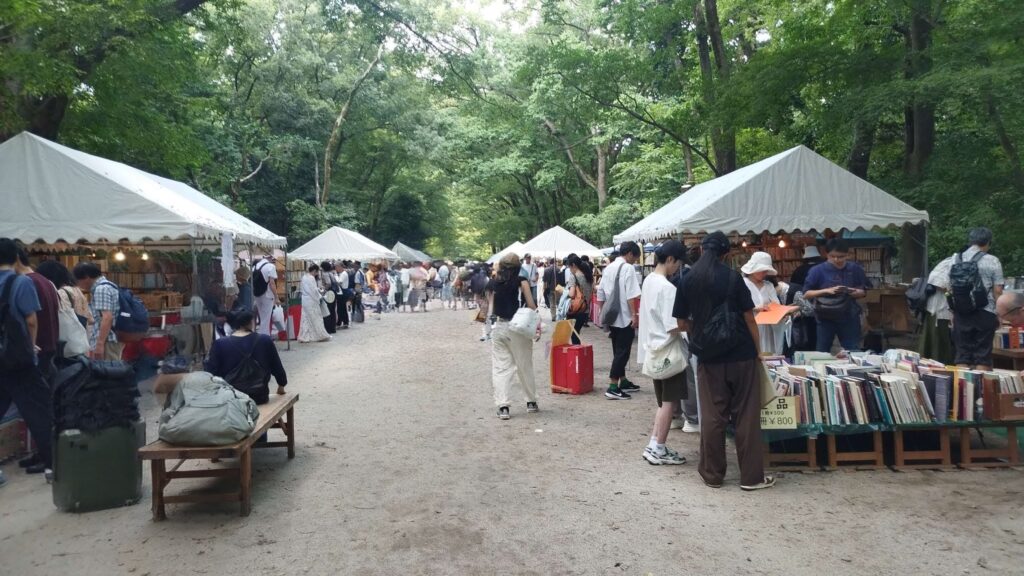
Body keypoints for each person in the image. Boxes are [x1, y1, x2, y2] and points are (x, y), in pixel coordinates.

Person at [673, 231, 774, 491]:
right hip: (741, 353)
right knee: (746, 415)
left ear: (701, 250)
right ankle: (752, 477)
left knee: (713, 416)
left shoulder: (687, 279)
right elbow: (750, 318)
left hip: (708, 356)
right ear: (726, 253)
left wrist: (703, 332)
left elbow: (682, 323)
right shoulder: (733, 277)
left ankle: (712, 474)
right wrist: (758, 350)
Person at [0, 238, 52, 476]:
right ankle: (52, 461)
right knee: (38, 410)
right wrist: (31, 348)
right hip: (18, 360)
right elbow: (31, 320)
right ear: (16, 257)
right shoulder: (21, 283)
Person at [637, 240, 688, 465]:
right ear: (670, 260)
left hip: (654, 349)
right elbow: (673, 324)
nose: (678, 268)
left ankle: (654, 444)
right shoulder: (667, 288)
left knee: (663, 402)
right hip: (669, 351)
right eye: (678, 263)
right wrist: (691, 324)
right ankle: (658, 447)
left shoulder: (649, 281)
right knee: (670, 403)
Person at [944, 227, 1004, 370]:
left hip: (961, 311)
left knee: (962, 354)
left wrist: (952, 312)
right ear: (988, 242)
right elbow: (997, 290)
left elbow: (948, 288)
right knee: (982, 355)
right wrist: (1000, 314)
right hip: (985, 311)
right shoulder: (992, 260)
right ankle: (980, 391)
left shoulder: (954, 259)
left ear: (971, 241)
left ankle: (962, 390)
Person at [488, 253, 539, 420]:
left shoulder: (494, 282)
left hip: (500, 327)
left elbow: (490, 307)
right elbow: (531, 306)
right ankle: (531, 402)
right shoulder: (521, 282)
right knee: (524, 365)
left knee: (501, 368)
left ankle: (503, 406)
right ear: (518, 266)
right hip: (518, 328)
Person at [802, 239, 870, 353]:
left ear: (847, 255)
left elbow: (864, 291)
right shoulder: (817, 271)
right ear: (826, 254)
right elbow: (806, 294)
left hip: (849, 315)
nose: (836, 260)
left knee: (853, 350)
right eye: (832, 256)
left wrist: (856, 293)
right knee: (822, 352)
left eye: (841, 257)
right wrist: (827, 291)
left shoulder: (855, 269)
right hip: (824, 316)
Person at [205, 309, 287, 404]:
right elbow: (276, 366)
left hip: (231, 399)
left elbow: (211, 372)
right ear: (251, 322)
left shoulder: (220, 344)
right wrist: (281, 385)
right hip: (259, 396)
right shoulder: (264, 340)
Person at [597, 241, 643, 399]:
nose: (634, 261)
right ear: (630, 253)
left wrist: (602, 311)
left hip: (612, 315)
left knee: (617, 350)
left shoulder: (608, 267)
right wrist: (634, 315)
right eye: (635, 258)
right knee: (623, 352)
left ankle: (622, 381)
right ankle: (612, 386)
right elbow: (631, 294)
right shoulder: (628, 268)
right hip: (624, 316)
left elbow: (601, 291)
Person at [16, 250, 59, 382]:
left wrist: (30, 344)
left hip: (35, 348)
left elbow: (31, 320)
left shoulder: (26, 282)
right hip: (49, 345)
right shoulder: (45, 281)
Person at [72, 261, 124, 361]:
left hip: (107, 340)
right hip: (110, 339)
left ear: (87, 277)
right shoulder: (109, 285)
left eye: (78, 280)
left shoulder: (101, 289)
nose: (79, 284)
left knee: (108, 371)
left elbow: (107, 317)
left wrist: (100, 344)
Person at [741, 252, 788, 356]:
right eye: (761, 270)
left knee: (768, 355)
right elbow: (738, 305)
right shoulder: (742, 284)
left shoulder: (768, 285)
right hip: (750, 326)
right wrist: (755, 308)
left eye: (765, 271)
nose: (764, 273)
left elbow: (776, 304)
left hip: (767, 328)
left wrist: (781, 312)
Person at [917, 255, 955, 365]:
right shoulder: (949, 263)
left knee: (943, 343)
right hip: (939, 310)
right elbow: (936, 281)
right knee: (937, 344)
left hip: (944, 309)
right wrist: (951, 291)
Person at [298, 264, 330, 343]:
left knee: (305, 319)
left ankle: (304, 336)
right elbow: (313, 291)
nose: (316, 274)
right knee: (316, 317)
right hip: (311, 300)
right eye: (316, 272)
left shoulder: (304, 277)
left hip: (305, 300)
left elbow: (305, 289)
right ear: (314, 271)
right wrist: (319, 296)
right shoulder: (311, 278)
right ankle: (320, 335)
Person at [564, 254, 592, 345]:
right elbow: (592, 291)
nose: (569, 269)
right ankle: (577, 354)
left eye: (569, 267)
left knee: (574, 335)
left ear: (573, 265)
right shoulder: (588, 276)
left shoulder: (574, 276)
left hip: (575, 310)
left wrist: (562, 292)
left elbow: (571, 294)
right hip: (585, 309)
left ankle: (577, 355)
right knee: (576, 332)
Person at [252, 255, 279, 336]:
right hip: (267, 294)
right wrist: (276, 297)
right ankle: (264, 337)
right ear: (270, 258)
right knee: (266, 319)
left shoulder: (255, 266)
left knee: (261, 316)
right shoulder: (271, 266)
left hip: (257, 294)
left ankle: (262, 336)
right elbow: (272, 283)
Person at [320, 260, 339, 334]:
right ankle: (333, 328)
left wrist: (324, 290)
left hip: (329, 293)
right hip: (333, 293)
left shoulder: (324, 274)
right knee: (332, 310)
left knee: (327, 311)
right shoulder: (331, 273)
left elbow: (328, 283)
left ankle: (328, 328)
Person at [335, 262, 351, 329]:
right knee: (341, 308)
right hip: (341, 292)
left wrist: (335, 276)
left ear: (340, 267)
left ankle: (343, 322)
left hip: (342, 292)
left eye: (336, 267)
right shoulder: (342, 274)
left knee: (341, 308)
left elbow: (339, 282)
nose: (336, 268)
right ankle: (343, 322)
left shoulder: (343, 274)